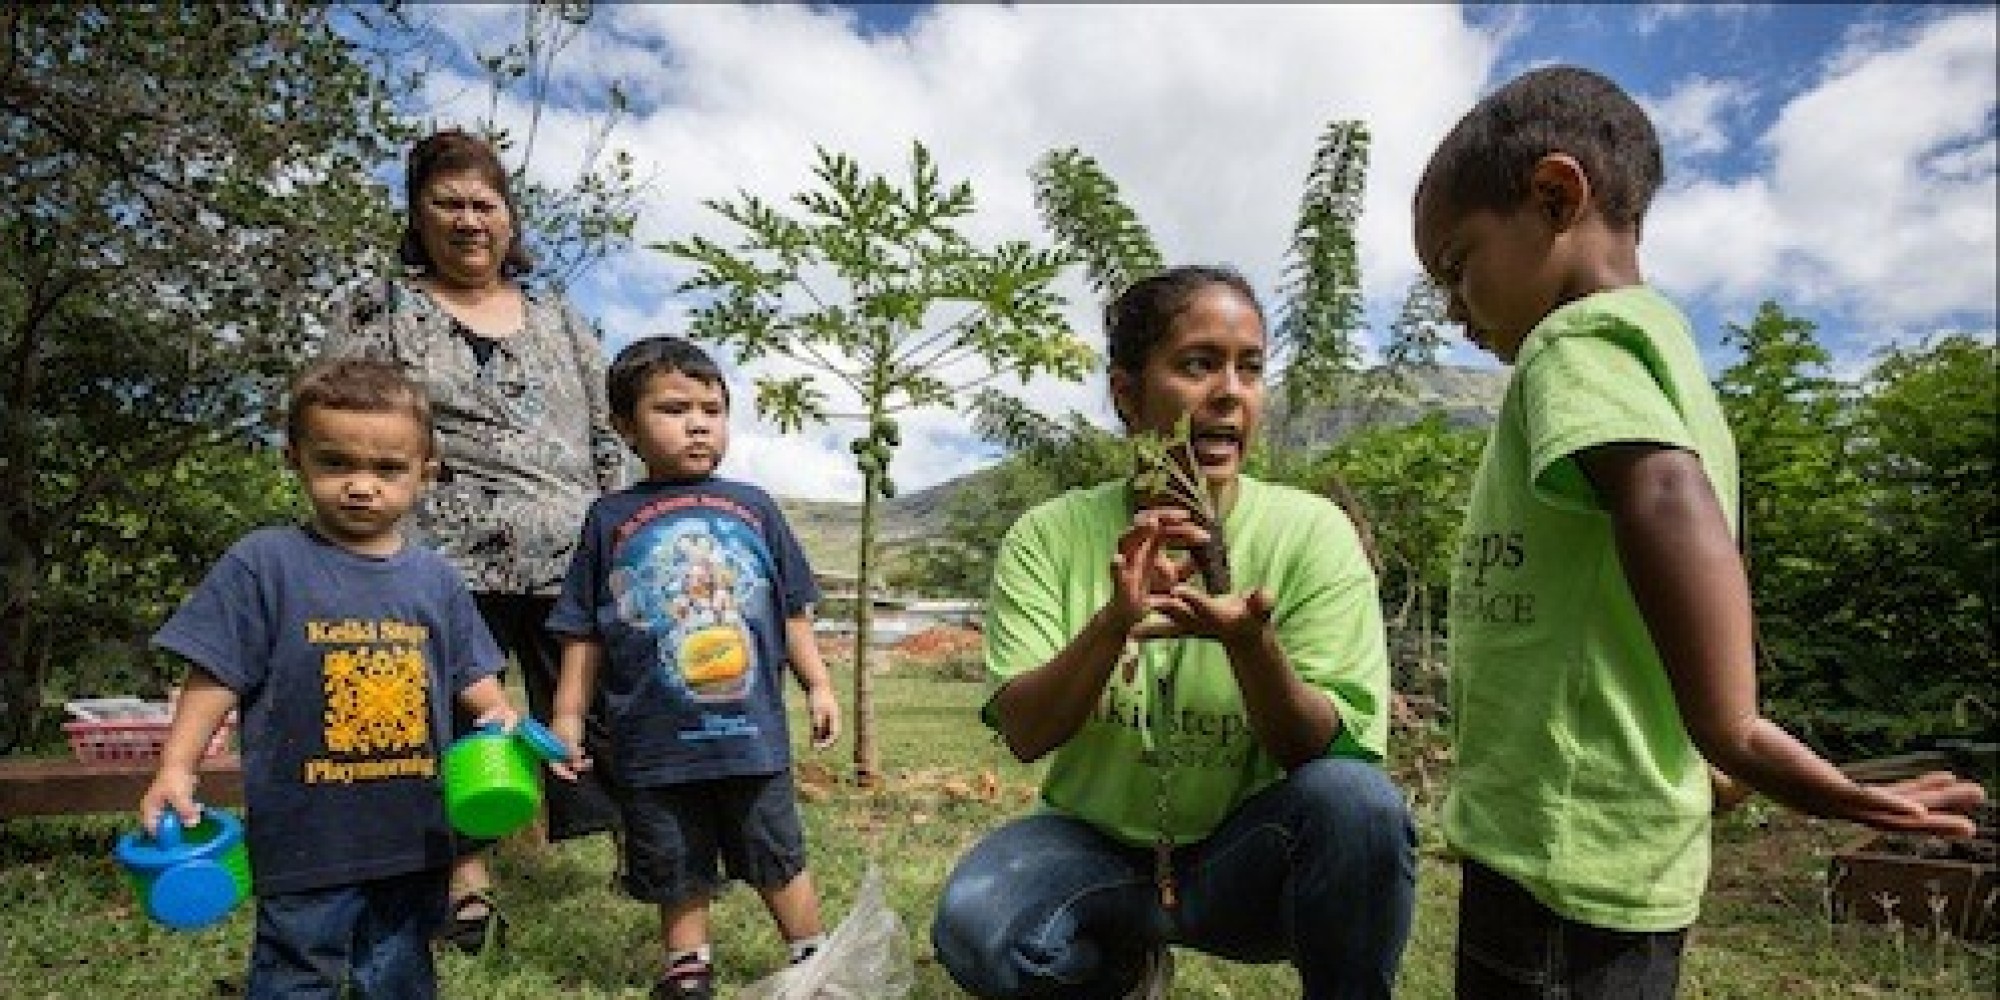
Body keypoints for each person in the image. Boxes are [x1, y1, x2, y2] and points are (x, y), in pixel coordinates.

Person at [1412, 64, 1989, 1000]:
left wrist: (1734, 731)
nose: (1452, 306)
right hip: (1604, 851)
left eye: (1457, 263)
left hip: (1559, 859)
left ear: (1555, 196)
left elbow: (1669, 499)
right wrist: (1709, 751)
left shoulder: (1578, 343)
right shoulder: (1666, 362)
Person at [930, 265, 1417, 1000]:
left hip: (1246, 857)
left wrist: (1252, 647)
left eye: (1250, 368)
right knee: (978, 926)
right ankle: (1120, 966)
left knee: (1360, 806)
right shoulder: (1048, 536)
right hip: (1093, 847)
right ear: (1127, 395)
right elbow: (1026, 734)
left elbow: (1320, 754)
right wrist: (1111, 626)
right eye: (1198, 364)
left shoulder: (1312, 535)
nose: (1230, 392)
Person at [320, 127, 627, 952]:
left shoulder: (557, 314)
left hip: (568, 552)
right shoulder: (380, 309)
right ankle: (465, 881)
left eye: (483, 204)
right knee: (446, 716)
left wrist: (619, 523)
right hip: (436, 556)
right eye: (446, 203)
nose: (466, 220)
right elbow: (340, 415)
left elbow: (608, 426)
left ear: (509, 216)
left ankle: (647, 854)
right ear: (417, 215)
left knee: (605, 703)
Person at [139, 358, 519, 998]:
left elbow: (470, 672)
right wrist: (177, 768)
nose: (361, 486)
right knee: (297, 972)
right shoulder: (265, 565)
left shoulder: (436, 580)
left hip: (412, 831)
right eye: (336, 463)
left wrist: (501, 715)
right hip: (305, 835)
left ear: (426, 471)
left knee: (399, 975)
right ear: (294, 458)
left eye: (387, 469)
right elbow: (214, 673)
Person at [544, 335, 842, 1000]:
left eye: (713, 409)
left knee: (774, 847)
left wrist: (819, 684)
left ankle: (810, 956)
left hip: (750, 735)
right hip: (651, 740)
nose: (699, 424)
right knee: (670, 853)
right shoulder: (608, 518)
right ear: (625, 427)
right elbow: (583, 631)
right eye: (673, 409)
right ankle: (687, 965)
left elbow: (793, 610)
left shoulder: (756, 507)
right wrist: (567, 714)